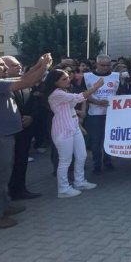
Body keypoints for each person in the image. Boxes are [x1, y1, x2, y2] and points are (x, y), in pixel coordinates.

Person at [0, 53, 51, 229]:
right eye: (0, 65)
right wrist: (44, 67)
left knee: (2, 176)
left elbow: (23, 78)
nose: (5, 68)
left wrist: (38, 64)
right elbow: (27, 82)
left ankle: (3, 206)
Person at [45, 69, 103, 198]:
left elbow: (72, 105)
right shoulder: (56, 93)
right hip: (63, 129)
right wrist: (95, 87)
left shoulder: (63, 92)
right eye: (63, 79)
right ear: (55, 82)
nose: (68, 80)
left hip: (74, 126)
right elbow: (78, 97)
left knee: (81, 155)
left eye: (67, 78)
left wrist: (79, 124)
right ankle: (63, 188)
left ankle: (79, 181)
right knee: (65, 160)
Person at [1, 56, 42, 201]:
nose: (18, 67)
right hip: (6, 132)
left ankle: (19, 189)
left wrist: (31, 116)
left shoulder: (27, 84)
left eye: (18, 64)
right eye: (12, 65)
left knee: (21, 160)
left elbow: (34, 103)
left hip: (25, 129)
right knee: (5, 164)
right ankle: (2, 194)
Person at [82, 54, 121, 174]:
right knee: (96, 140)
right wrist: (97, 101)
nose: (105, 67)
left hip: (112, 114)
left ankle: (108, 161)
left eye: (108, 65)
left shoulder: (116, 76)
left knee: (108, 139)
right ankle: (97, 164)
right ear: (96, 64)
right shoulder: (87, 77)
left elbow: (122, 93)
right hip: (95, 114)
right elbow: (82, 94)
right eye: (102, 65)